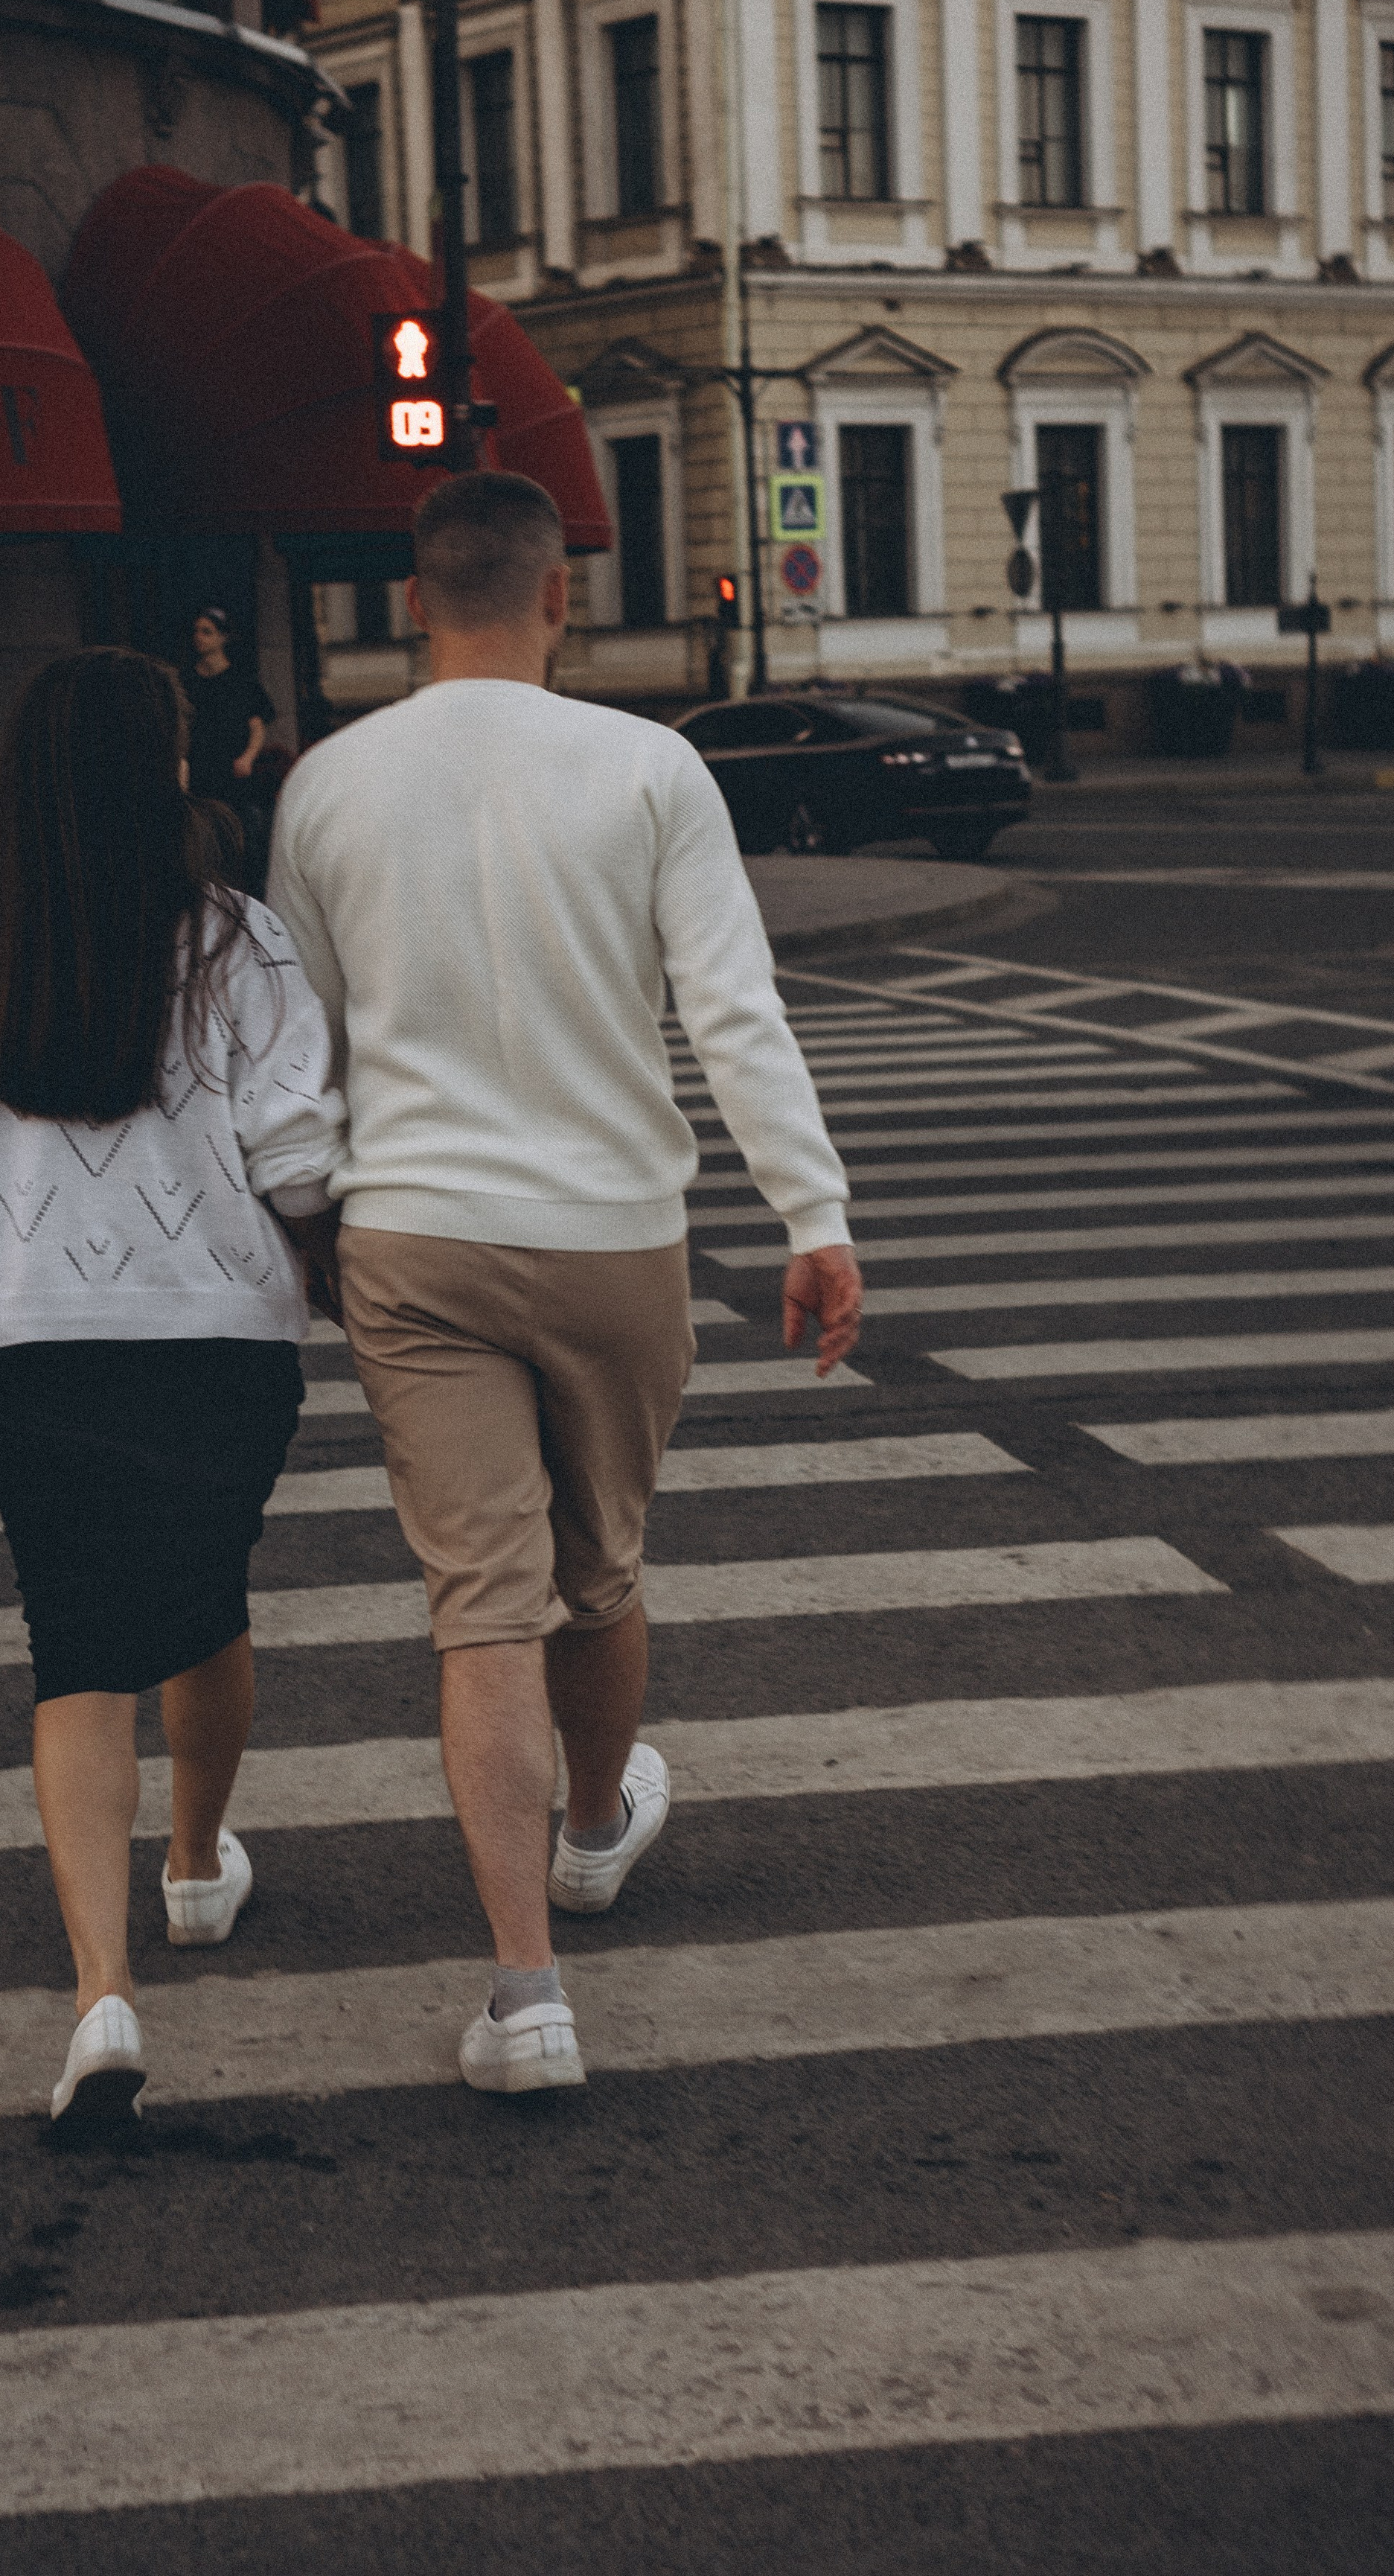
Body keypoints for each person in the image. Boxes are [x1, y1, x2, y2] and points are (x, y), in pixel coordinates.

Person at [268, 472, 862, 2097]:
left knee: (480, 1613)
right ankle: (596, 1829)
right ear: (558, 597)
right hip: (613, 1236)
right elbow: (732, 1009)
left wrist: (306, 1219)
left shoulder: (325, 785)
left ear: (412, 602)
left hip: (413, 1234)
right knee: (599, 1575)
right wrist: (812, 1217)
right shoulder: (650, 767)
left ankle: (525, 1998)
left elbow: (300, 1044)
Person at [0, 648, 343, 2126]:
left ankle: (102, 1992)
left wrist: (6, 1226)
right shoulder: (235, 938)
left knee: (74, 1648)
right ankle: (197, 1866)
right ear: (166, 769)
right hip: (218, 1336)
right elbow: (295, 1154)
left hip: (35, 1343)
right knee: (204, 1599)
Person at [182, 604, 277, 894]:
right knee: (204, 844)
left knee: (245, 841)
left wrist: (248, 757)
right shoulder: (187, 681)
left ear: (223, 637)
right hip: (201, 775)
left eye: (207, 632)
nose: (199, 637)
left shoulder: (241, 680)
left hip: (234, 777)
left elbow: (257, 725)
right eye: (197, 631)